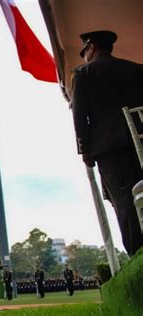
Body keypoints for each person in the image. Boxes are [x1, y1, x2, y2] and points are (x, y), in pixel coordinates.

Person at [71, 30, 143, 256]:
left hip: (108, 146)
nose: (84, 56)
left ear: (91, 48)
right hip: (140, 137)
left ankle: (137, 252)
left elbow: (80, 116)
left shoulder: (82, 73)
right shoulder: (137, 69)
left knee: (124, 199)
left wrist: (85, 150)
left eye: (84, 51)